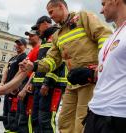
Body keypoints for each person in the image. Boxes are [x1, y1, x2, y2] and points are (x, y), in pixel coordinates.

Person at [19, 0, 112, 133]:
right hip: (72, 82)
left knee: (82, 121)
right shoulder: (57, 35)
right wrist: (33, 66)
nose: (50, 16)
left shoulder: (83, 17)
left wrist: (102, 65)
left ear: (61, 7)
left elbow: (104, 35)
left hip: (90, 79)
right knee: (64, 121)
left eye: (51, 12)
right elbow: (52, 60)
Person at [81, 0, 126, 133]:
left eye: (103, 3)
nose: (101, 10)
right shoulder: (113, 35)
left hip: (117, 117)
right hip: (95, 111)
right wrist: (89, 74)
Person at [1, 38, 27, 133]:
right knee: (6, 112)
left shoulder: (24, 57)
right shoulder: (12, 58)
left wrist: (14, 86)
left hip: (14, 90)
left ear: (25, 46)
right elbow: (6, 71)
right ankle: (7, 129)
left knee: (13, 113)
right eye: (16, 44)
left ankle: (12, 130)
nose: (18, 46)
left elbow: (21, 73)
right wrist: (2, 83)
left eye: (20, 44)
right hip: (7, 89)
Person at [17, 29, 40, 133]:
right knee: (22, 117)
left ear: (38, 36)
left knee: (28, 118)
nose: (29, 37)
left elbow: (35, 71)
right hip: (25, 84)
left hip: (30, 87)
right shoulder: (32, 51)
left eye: (32, 35)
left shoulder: (39, 49)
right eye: (29, 35)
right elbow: (23, 70)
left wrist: (25, 89)